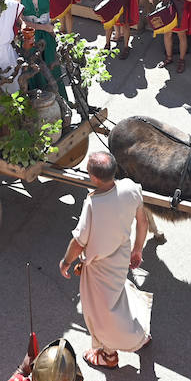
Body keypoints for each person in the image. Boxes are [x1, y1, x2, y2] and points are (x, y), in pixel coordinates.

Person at [59, 152, 151, 370]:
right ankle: (140, 335)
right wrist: (137, 249)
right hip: (121, 255)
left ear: (94, 178)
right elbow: (143, 222)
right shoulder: (131, 188)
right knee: (118, 294)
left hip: (99, 266)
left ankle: (108, 355)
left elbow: (79, 242)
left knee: (101, 311)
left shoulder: (92, 203)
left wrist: (65, 262)